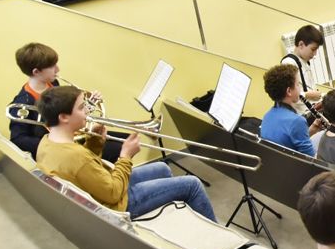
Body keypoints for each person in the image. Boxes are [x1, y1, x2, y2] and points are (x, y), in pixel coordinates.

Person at [34, 86, 215, 220]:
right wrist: (126, 156)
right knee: (192, 184)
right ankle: (217, 239)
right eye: (81, 108)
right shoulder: (74, 155)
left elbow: (86, 169)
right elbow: (112, 192)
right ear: (64, 117)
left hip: (101, 186)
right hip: (117, 205)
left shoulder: (47, 142)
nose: (87, 111)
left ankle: (174, 217)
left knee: (161, 168)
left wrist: (95, 141)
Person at [8, 42, 122, 163]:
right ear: (36, 72)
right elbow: (18, 140)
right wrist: (54, 145)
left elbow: (65, 111)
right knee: (121, 149)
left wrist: (87, 105)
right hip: (63, 148)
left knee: (125, 139)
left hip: (75, 134)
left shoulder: (53, 84)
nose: (58, 69)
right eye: (52, 66)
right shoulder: (22, 103)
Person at [260, 63, 323, 156]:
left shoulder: (267, 115)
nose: (300, 88)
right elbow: (311, 159)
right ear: (289, 91)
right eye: (298, 84)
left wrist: (312, 130)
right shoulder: (297, 121)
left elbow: (289, 144)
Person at [281, 25, 325, 114]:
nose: (315, 54)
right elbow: (287, 95)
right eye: (313, 49)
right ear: (301, 44)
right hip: (300, 115)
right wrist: (308, 95)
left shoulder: (304, 61)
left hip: (310, 109)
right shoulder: (289, 63)